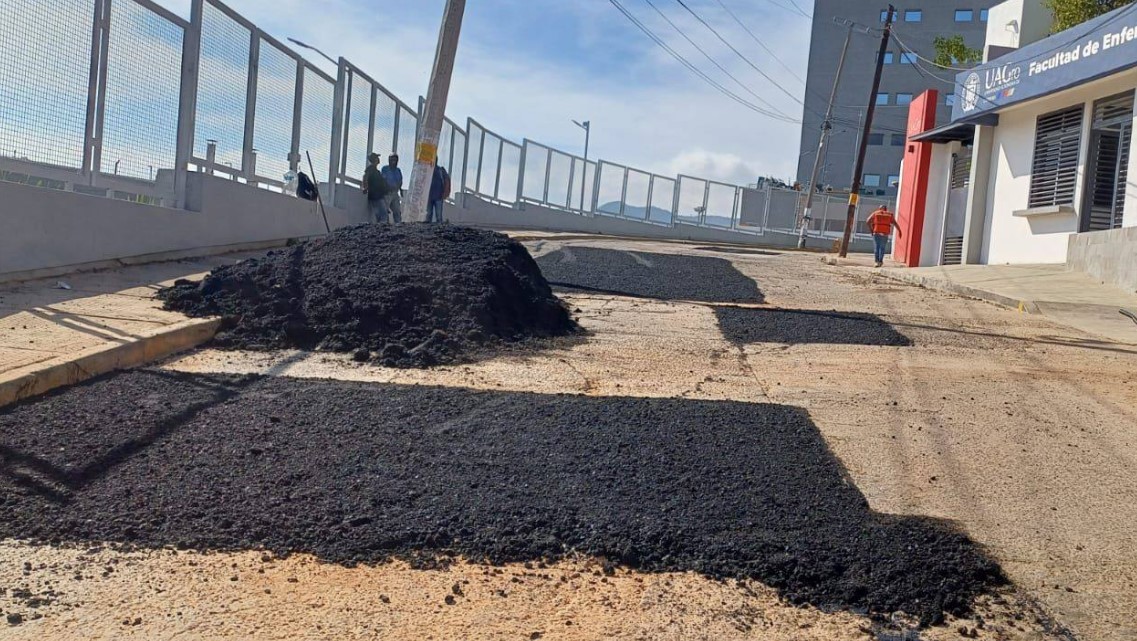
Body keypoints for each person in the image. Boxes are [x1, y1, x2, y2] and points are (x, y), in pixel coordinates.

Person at [362, 153, 390, 223]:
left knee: (380, 214)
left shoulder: (376, 171)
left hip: (378, 195)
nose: (378, 159)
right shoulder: (371, 169)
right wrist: (365, 187)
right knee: (383, 214)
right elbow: (365, 177)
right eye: (377, 158)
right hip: (375, 195)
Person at [380, 154, 404, 224]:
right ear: (389, 160)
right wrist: (387, 187)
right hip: (387, 192)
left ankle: (398, 224)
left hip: (395, 192)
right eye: (392, 160)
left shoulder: (398, 170)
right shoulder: (385, 169)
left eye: (395, 160)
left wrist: (399, 188)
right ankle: (384, 224)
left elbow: (400, 180)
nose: (394, 161)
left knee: (397, 210)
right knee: (385, 209)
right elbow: (383, 179)